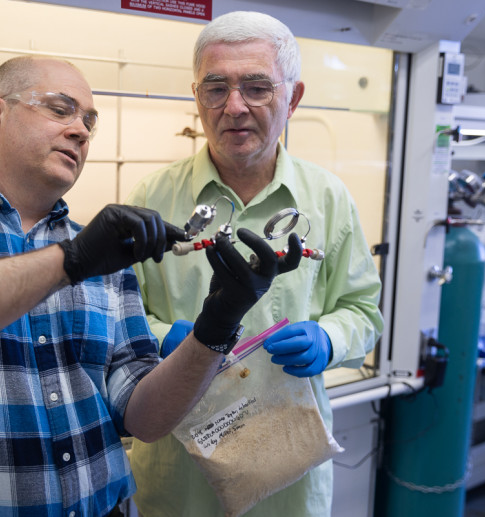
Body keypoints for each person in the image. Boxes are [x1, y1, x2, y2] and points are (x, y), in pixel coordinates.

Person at [0, 55, 301, 517]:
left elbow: (144, 419)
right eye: (60, 109)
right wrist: (68, 262)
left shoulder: (103, 255)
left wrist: (215, 326)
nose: (80, 131)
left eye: (89, 121)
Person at [126, 11, 384, 517]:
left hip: (287, 476)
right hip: (180, 478)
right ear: (197, 96)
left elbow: (364, 311)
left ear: (294, 97)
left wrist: (328, 339)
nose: (234, 107)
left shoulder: (327, 198)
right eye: (216, 88)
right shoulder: (151, 199)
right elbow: (118, 319)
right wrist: (162, 341)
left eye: (257, 87)